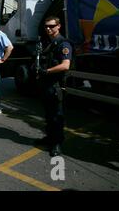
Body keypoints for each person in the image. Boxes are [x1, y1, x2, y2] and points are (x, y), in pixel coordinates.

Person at [35, 16, 72, 157]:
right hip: (46, 84)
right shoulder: (46, 42)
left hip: (56, 85)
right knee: (48, 114)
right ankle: (49, 138)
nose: (48, 29)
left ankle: (57, 144)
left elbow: (65, 65)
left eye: (51, 26)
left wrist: (47, 71)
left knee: (57, 116)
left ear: (58, 26)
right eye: (46, 26)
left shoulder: (63, 44)